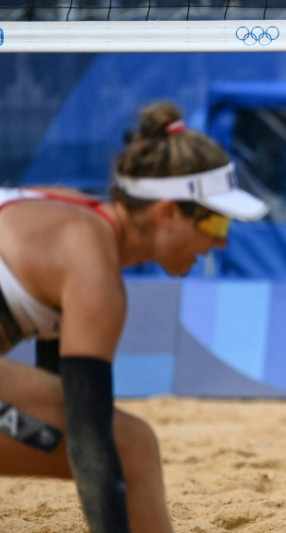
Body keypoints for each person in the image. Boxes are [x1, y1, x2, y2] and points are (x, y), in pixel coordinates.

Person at [0, 100, 268, 533]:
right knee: (131, 446)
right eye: (216, 225)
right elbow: (90, 441)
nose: (220, 245)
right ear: (166, 215)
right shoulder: (95, 277)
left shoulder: (69, 216)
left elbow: (57, 398)